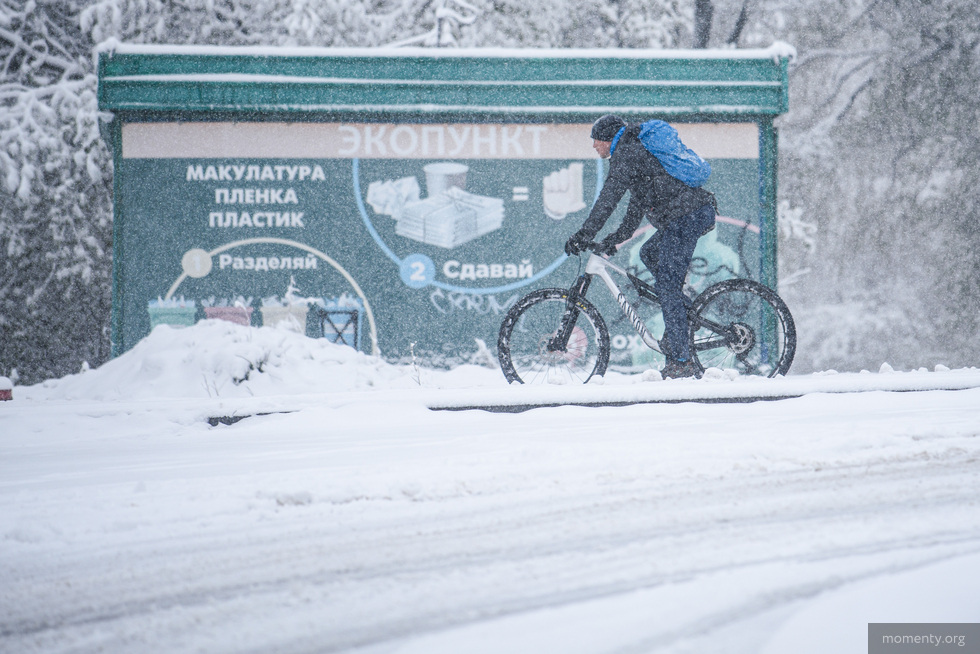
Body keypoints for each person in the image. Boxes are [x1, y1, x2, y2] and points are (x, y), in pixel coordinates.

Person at [564, 114, 717, 379]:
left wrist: (583, 234)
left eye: (596, 140)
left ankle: (682, 361)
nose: (593, 146)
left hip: (687, 216)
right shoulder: (635, 156)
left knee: (667, 285)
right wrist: (613, 239)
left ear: (609, 138)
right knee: (649, 254)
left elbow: (608, 199)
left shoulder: (627, 155)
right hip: (687, 216)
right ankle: (682, 311)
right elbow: (635, 211)